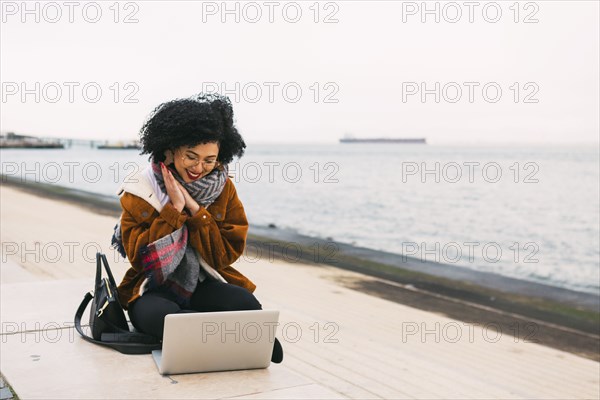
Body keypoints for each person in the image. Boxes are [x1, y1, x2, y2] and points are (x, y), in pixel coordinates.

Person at [110, 93, 283, 363]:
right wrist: (173, 210)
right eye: (191, 156)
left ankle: (214, 336)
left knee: (244, 303)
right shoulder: (140, 190)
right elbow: (140, 259)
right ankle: (220, 338)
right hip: (151, 286)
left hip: (203, 281)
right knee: (162, 318)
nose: (200, 168)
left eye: (209, 159)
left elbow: (224, 255)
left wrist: (196, 211)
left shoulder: (223, 189)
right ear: (169, 150)